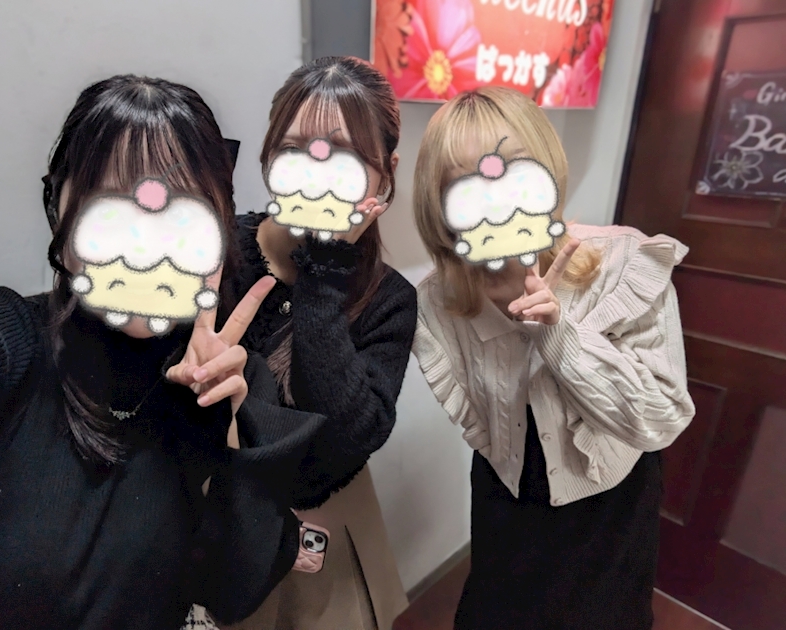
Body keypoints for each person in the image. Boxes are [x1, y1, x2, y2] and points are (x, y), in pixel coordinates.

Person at [0, 75, 327, 630]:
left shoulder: (231, 381)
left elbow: (231, 592)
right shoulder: (4, 344)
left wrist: (227, 434)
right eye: (113, 207)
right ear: (60, 214)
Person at [411, 86, 696, 630]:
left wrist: (559, 335)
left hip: (610, 499)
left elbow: (661, 416)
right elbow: (474, 417)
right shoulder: (437, 302)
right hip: (506, 491)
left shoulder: (623, 262)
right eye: (465, 185)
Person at [209, 56, 417, 630]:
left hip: (320, 525)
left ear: (386, 172)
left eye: (343, 155)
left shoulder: (389, 298)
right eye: (292, 149)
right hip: (209, 518)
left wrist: (325, 270)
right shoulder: (213, 251)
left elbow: (347, 438)